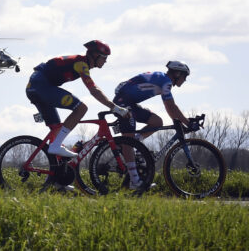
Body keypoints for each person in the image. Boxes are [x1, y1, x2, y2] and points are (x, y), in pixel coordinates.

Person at [26, 40, 128, 158]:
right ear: (95, 55)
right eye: (104, 57)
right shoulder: (81, 64)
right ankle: (56, 146)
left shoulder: (80, 63)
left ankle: (55, 169)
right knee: (81, 108)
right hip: (41, 86)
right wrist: (115, 108)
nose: (106, 61)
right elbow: (94, 90)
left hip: (35, 87)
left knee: (57, 129)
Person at [113, 61, 193, 189]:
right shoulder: (165, 81)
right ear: (177, 74)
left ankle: (136, 143)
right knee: (128, 141)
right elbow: (171, 106)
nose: (185, 80)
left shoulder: (163, 79)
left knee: (157, 122)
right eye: (185, 76)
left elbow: (169, 108)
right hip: (123, 103)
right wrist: (187, 122)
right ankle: (134, 181)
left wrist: (178, 122)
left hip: (130, 102)